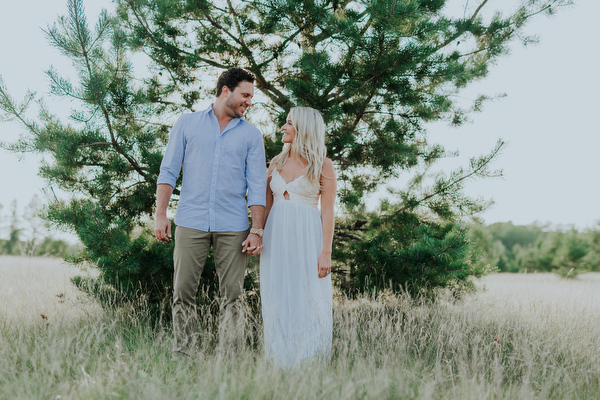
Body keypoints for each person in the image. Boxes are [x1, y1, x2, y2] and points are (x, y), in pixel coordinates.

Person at [154, 67, 267, 356]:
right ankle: (185, 352)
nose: (249, 102)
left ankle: (230, 356)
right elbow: (168, 171)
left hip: (233, 225)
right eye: (245, 95)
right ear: (225, 91)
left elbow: (256, 186)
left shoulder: (252, 136)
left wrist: (257, 230)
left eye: (251, 97)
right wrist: (161, 214)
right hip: (191, 220)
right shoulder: (187, 123)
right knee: (182, 293)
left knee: (233, 296)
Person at [260, 106, 337, 367]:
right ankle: (279, 361)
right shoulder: (276, 163)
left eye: (289, 123)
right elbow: (267, 206)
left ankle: (309, 361)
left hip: (308, 237)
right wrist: (258, 234)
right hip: (276, 236)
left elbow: (327, 212)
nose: (283, 127)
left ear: (303, 128)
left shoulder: (322, 164)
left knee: (308, 295)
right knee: (278, 293)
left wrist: (325, 252)